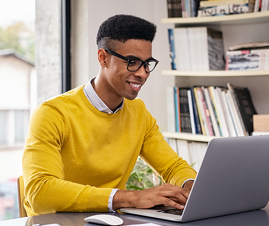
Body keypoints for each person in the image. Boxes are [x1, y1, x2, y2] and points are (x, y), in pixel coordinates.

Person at [22, 14, 196, 216]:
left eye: (147, 63)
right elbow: (40, 192)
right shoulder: (52, 114)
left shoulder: (138, 113)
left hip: (110, 220)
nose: (142, 73)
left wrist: (190, 187)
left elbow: (172, 166)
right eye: (132, 62)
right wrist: (133, 198)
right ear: (103, 58)